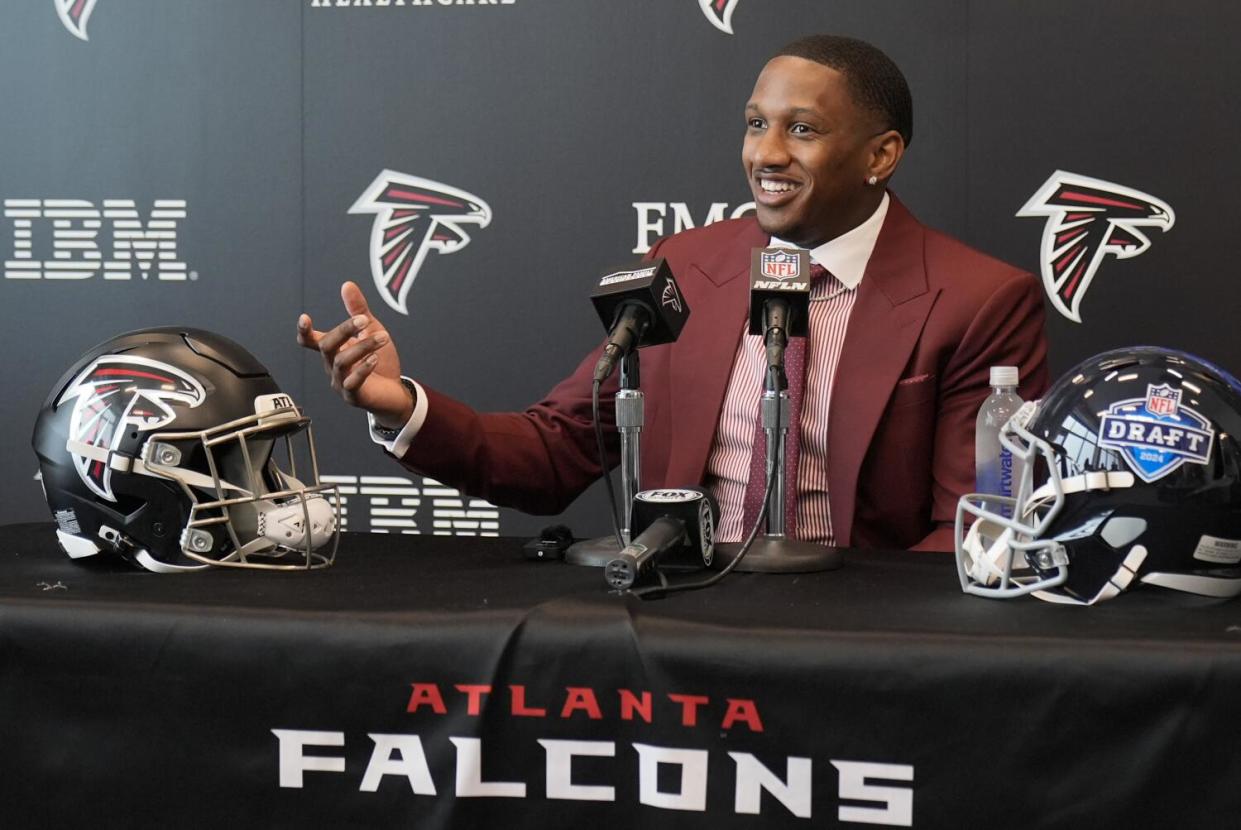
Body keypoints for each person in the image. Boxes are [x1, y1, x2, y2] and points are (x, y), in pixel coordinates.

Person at [297, 35, 1049, 552]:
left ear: (881, 154)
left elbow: (972, 526)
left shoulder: (977, 300)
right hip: (678, 622)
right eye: (755, 124)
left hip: (856, 641)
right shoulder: (687, 266)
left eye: (803, 129)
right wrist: (400, 405)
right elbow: (558, 450)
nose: (766, 154)